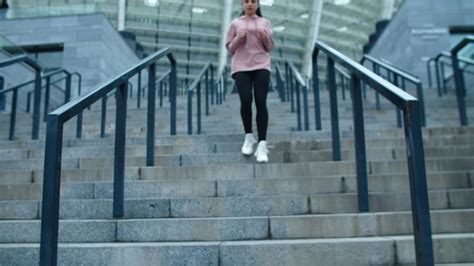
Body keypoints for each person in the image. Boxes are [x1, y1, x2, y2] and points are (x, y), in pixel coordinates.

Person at [226, 0, 274, 163]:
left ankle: (262, 144)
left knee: (261, 102)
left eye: (253, 1)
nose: (249, 4)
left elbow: (269, 47)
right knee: (246, 100)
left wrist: (265, 37)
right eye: (246, 1)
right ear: (242, 4)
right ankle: (249, 137)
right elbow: (230, 48)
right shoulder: (235, 23)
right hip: (241, 66)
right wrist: (238, 39)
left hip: (261, 64)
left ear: (258, 4)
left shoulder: (265, 22)